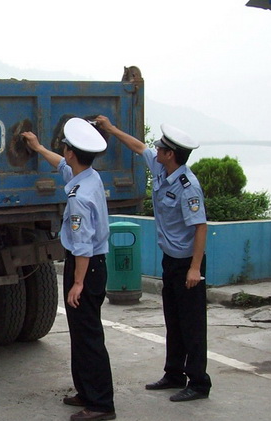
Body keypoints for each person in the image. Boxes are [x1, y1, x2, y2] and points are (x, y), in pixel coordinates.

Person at [95, 115, 212, 402]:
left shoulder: (188, 186)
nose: (155, 150)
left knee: (192, 325)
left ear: (170, 154)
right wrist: (111, 129)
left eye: (160, 148)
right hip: (170, 260)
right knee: (173, 320)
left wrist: (195, 268)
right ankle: (174, 374)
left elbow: (200, 227)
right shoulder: (161, 169)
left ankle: (199, 382)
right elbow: (138, 147)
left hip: (187, 264)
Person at [22, 118, 116, 421]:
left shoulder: (79, 198)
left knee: (88, 336)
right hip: (92, 265)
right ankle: (86, 392)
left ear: (72, 152)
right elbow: (62, 164)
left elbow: (83, 245)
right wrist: (38, 148)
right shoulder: (89, 177)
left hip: (86, 266)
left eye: (65, 148)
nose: (63, 152)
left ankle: (101, 404)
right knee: (81, 332)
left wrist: (77, 283)